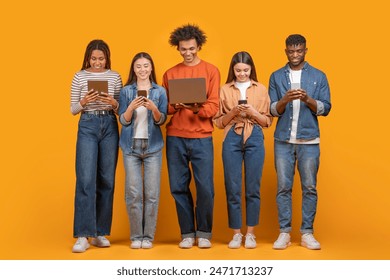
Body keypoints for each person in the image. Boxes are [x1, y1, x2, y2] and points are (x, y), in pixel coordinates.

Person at [268, 34, 331, 250]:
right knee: (283, 187)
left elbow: (326, 108)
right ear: (285, 51)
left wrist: (307, 100)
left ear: (306, 50)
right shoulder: (276, 76)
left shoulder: (318, 76)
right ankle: (284, 232)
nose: (295, 55)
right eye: (291, 51)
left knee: (310, 187)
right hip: (283, 140)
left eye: (299, 51)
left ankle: (307, 233)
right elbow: (272, 110)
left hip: (310, 141)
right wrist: (285, 99)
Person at [162, 24, 220, 249]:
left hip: (202, 137)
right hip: (176, 136)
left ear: (199, 46)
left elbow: (213, 106)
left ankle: (204, 232)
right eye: (183, 49)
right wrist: (174, 106)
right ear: (177, 48)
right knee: (178, 186)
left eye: (192, 49)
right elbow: (164, 108)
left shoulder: (211, 71)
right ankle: (187, 232)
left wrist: (197, 108)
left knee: (205, 187)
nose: (188, 53)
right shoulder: (170, 73)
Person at [213, 52, 272, 249]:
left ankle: (251, 234)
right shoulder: (224, 89)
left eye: (245, 70)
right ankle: (236, 233)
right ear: (233, 70)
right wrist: (233, 113)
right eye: (238, 70)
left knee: (253, 187)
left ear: (251, 69)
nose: (242, 74)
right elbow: (219, 123)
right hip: (232, 135)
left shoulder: (261, 89)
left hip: (254, 134)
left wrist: (252, 112)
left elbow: (267, 121)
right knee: (233, 186)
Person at [70, 39, 122, 253]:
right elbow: (73, 109)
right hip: (88, 123)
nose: (98, 62)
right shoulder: (79, 76)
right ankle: (83, 234)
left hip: (109, 123)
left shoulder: (115, 76)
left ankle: (100, 232)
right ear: (87, 58)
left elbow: (122, 109)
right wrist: (84, 101)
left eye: (101, 58)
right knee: (85, 179)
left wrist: (114, 103)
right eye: (94, 58)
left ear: (107, 58)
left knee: (107, 179)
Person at [118, 52, 168, 249]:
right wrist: (130, 107)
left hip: (153, 147)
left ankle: (147, 236)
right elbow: (123, 120)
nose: (143, 70)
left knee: (152, 193)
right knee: (133, 193)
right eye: (138, 66)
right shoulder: (126, 91)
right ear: (134, 69)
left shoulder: (160, 91)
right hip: (130, 147)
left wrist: (154, 109)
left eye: (146, 66)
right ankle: (135, 236)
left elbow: (161, 120)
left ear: (151, 68)